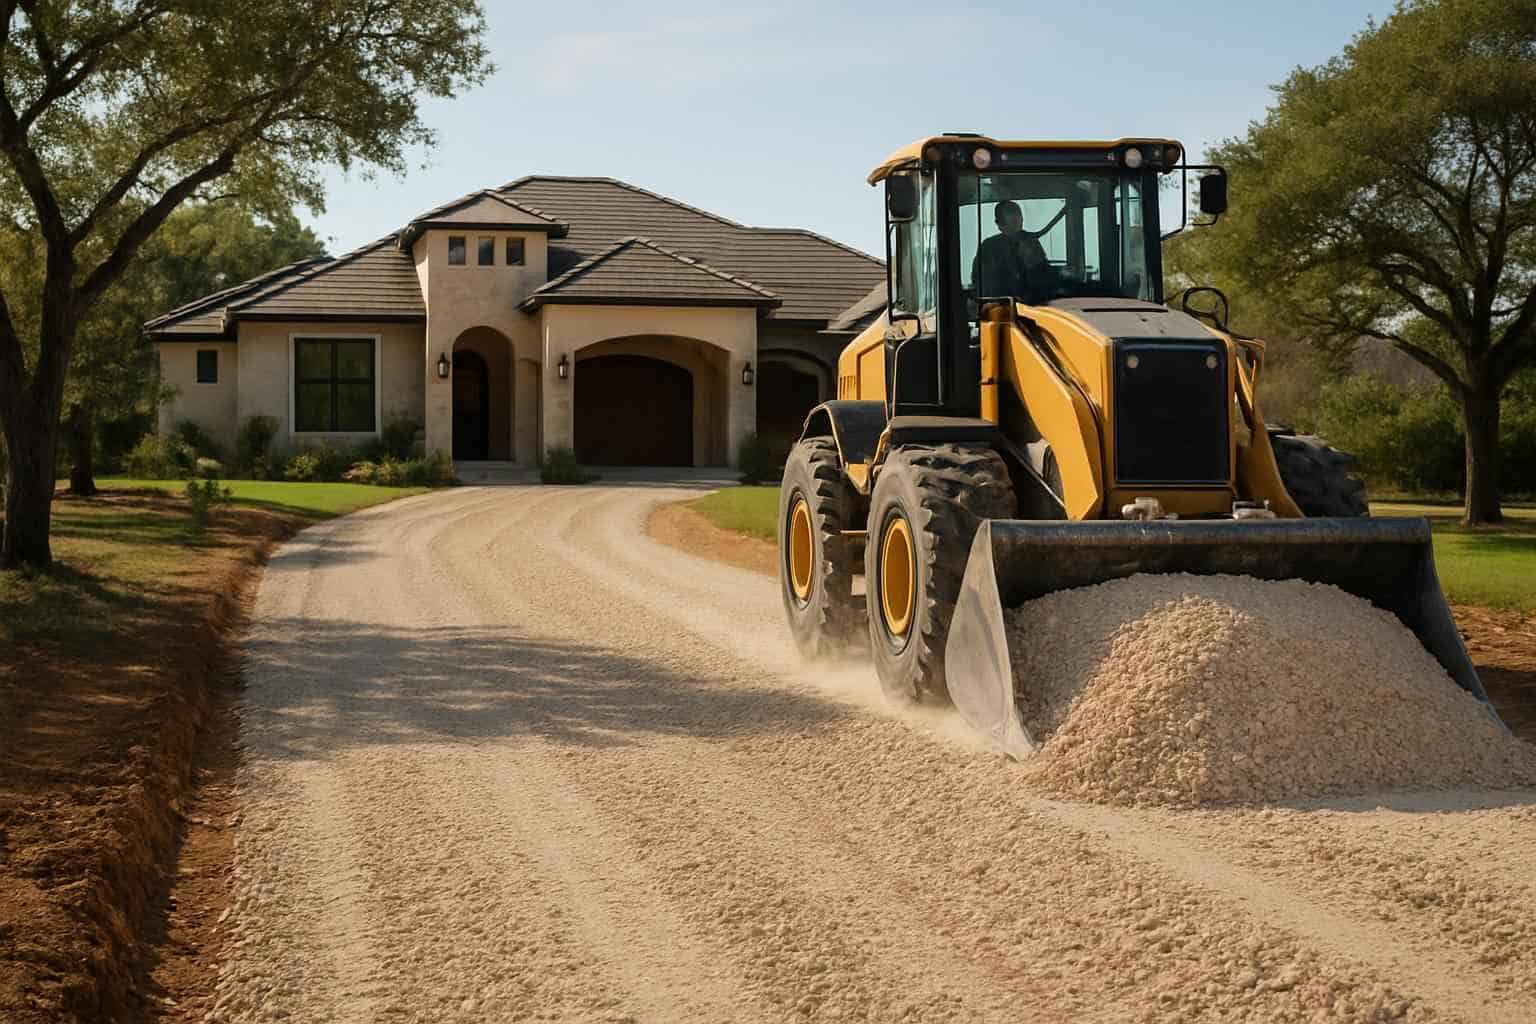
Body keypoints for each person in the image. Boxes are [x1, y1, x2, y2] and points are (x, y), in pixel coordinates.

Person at [971, 200, 1054, 300]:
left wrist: (1030, 261)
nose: (1017, 219)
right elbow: (983, 285)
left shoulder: (1030, 241)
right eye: (1011, 215)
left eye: (1018, 215)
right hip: (1002, 307)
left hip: (1032, 305)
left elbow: (1044, 276)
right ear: (999, 223)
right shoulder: (988, 247)